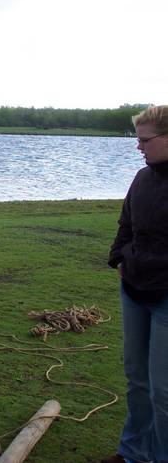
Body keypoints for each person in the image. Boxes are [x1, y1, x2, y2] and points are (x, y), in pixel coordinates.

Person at [106, 105, 168, 463]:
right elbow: (125, 223)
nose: (138, 147)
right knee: (136, 379)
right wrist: (119, 259)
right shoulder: (142, 178)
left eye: (145, 140)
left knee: (163, 390)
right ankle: (132, 453)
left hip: (166, 298)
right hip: (134, 289)